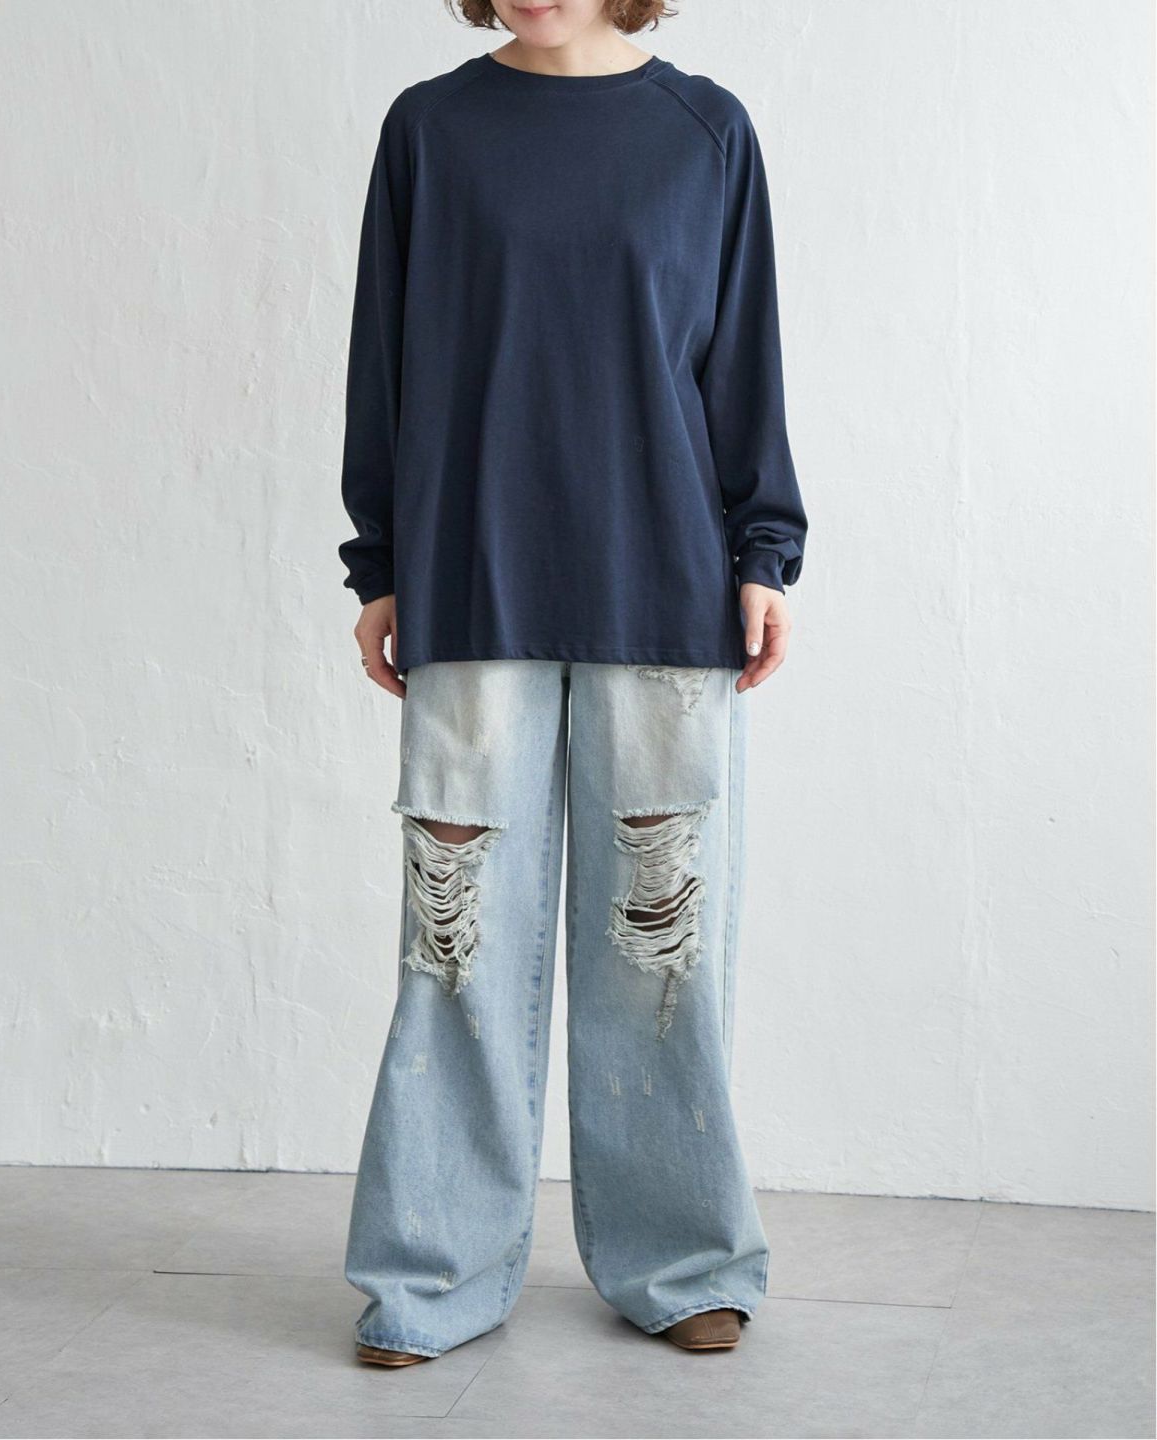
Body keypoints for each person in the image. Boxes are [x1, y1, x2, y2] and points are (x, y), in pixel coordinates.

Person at [337, 0, 808, 1366]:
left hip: (663, 591)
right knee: (456, 947)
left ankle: (683, 1256)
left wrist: (764, 552)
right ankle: (430, 1269)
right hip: (470, 581)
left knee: (659, 952)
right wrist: (379, 564)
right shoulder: (430, 131)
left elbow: (742, 363)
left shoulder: (704, 133)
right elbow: (384, 362)